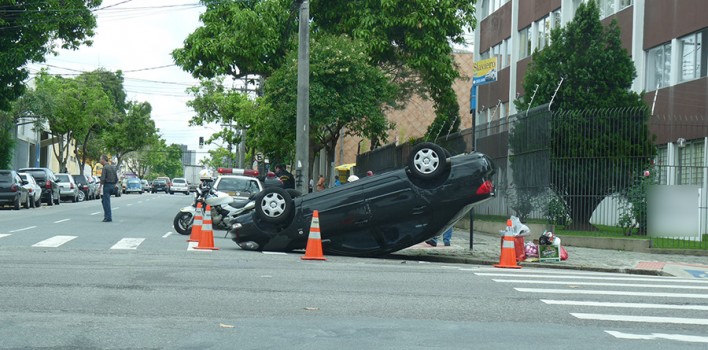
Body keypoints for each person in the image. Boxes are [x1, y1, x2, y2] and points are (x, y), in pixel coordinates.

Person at [98, 155, 118, 222]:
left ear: (103, 160)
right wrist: (114, 184)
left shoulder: (105, 168)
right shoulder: (112, 167)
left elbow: (102, 179)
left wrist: (100, 187)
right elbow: (116, 178)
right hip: (112, 186)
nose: (100, 161)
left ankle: (108, 217)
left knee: (106, 202)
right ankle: (107, 216)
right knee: (104, 201)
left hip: (107, 186)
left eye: (100, 159)